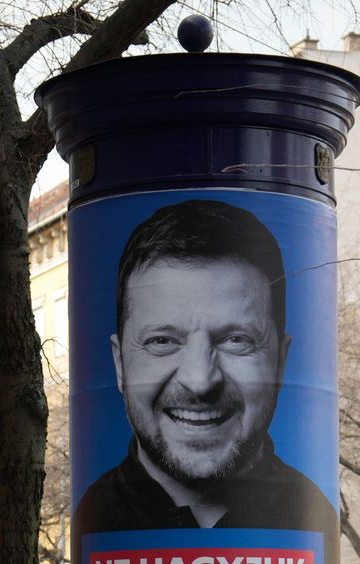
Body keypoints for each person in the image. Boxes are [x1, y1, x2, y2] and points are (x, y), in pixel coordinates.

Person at [76, 199, 335, 539]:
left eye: (236, 340)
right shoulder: (91, 515)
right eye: (162, 341)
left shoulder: (316, 518)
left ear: (280, 361)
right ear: (120, 363)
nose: (199, 381)